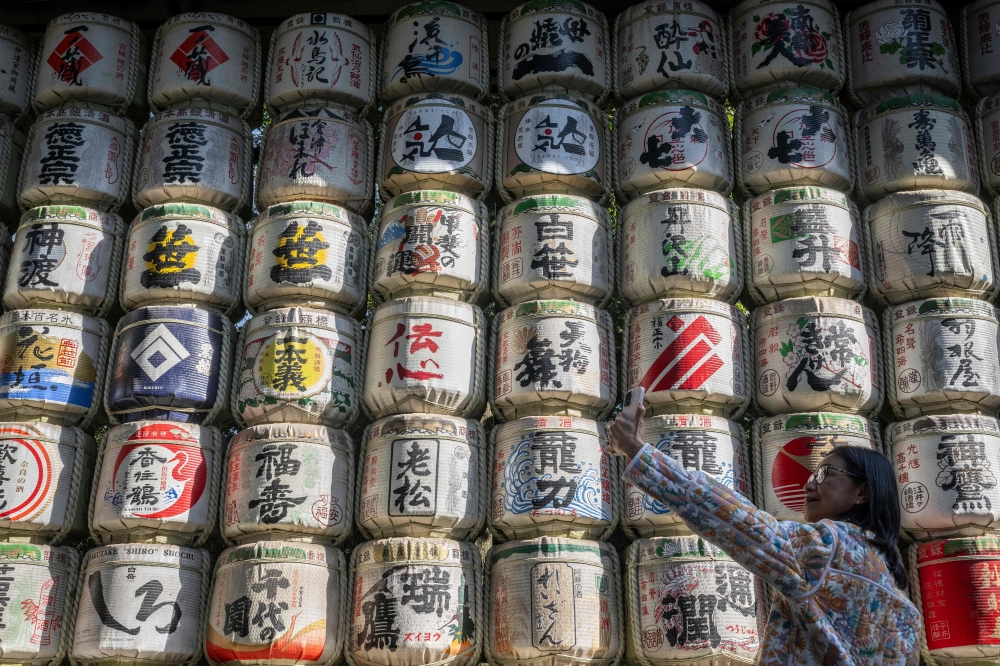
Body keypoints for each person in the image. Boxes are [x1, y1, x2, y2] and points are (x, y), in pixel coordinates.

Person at [608, 402, 921, 665]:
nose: (808, 484)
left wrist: (638, 453)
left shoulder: (829, 545)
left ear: (862, 493)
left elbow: (738, 522)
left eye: (825, 473)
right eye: (812, 473)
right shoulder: (899, 592)